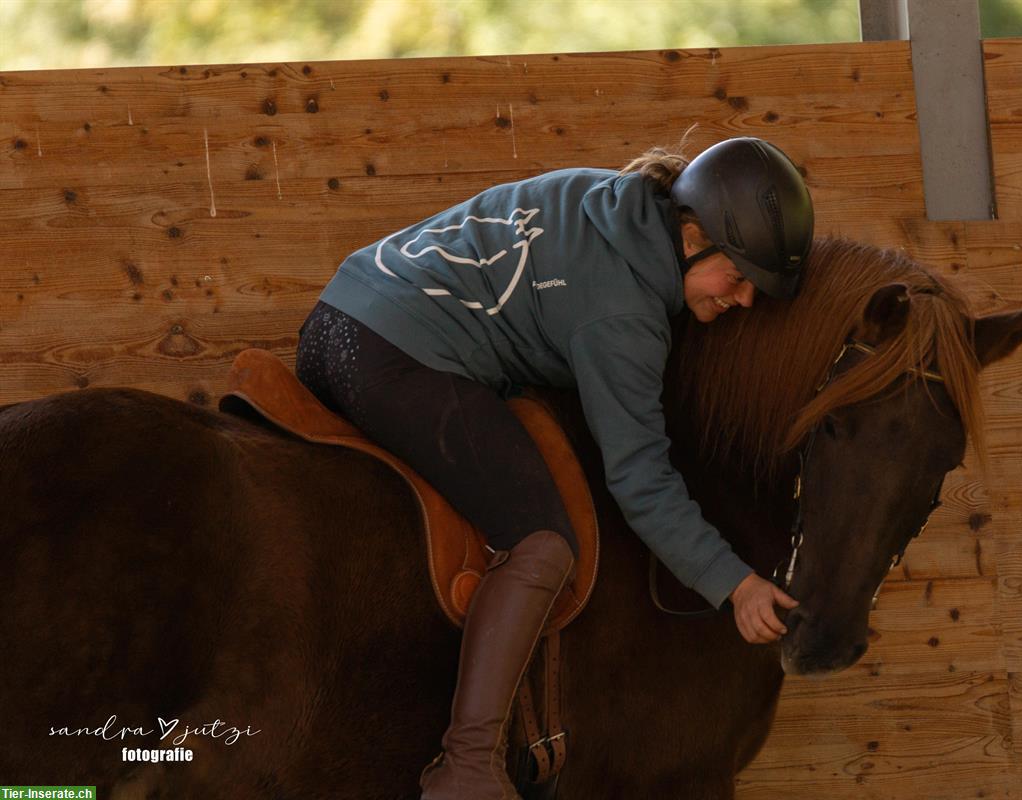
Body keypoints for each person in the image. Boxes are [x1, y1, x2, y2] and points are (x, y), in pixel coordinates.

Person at [295, 136, 814, 799]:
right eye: (737, 277)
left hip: (339, 316)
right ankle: (468, 767)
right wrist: (735, 585)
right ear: (692, 237)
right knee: (542, 542)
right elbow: (640, 480)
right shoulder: (623, 315)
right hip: (390, 356)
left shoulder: (608, 198)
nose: (743, 300)